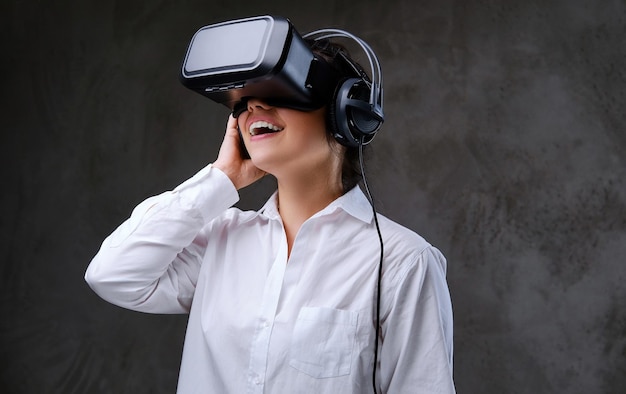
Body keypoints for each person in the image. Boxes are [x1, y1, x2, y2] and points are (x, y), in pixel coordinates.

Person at [85, 22, 456, 394]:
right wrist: (221, 178)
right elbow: (113, 275)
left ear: (347, 113)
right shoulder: (220, 240)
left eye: (276, 92)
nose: (254, 107)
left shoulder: (404, 262)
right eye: (241, 102)